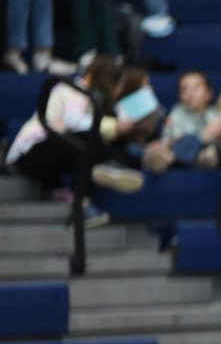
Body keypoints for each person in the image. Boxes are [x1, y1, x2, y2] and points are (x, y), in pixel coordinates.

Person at [6, 55, 143, 225]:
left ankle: (107, 170)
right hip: (30, 153)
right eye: (117, 86)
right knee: (89, 140)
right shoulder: (72, 90)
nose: (118, 92)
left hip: (56, 157)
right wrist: (114, 126)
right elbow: (74, 122)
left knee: (108, 147)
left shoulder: (97, 103)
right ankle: (83, 204)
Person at [156, 70, 221, 169]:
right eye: (184, 89)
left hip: (207, 156)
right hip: (178, 158)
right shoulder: (176, 113)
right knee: (188, 140)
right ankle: (173, 159)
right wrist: (203, 137)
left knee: (210, 153)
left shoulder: (219, 117)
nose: (190, 94)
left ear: (209, 93)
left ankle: (172, 159)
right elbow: (170, 142)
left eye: (196, 88)